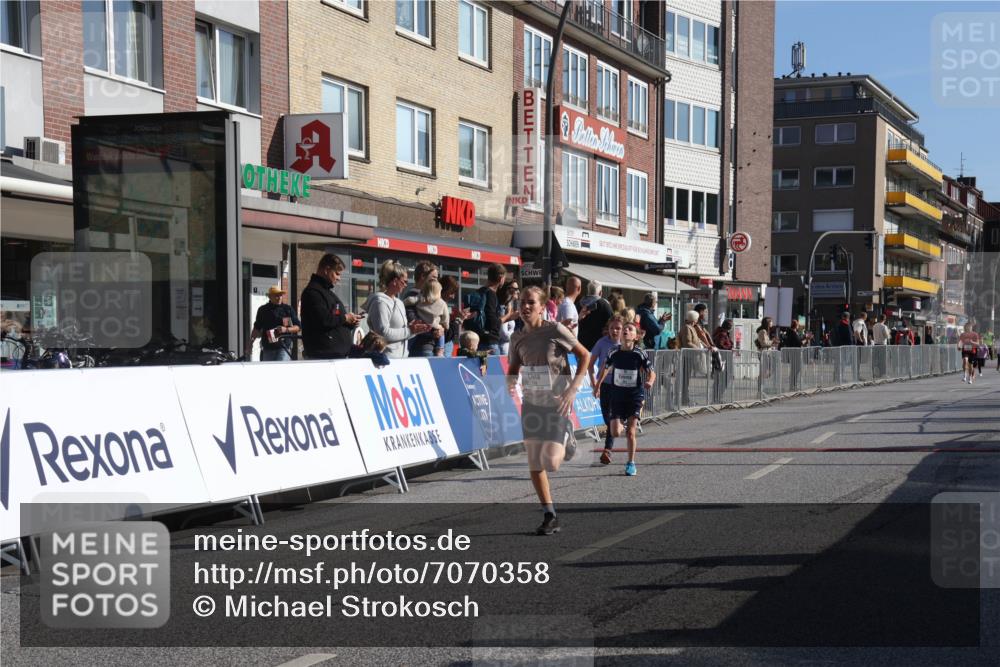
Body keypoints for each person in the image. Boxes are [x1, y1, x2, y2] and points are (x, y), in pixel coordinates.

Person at [507, 286, 590, 536]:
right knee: (535, 463)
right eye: (522, 302)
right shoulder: (517, 337)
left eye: (531, 302)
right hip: (532, 403)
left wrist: (573, 389)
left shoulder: (555, 330)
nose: (525, 306)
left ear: (542, 307)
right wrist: (511, 381)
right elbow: (514, 367)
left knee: (551, 463)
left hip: (557, 403)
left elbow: (585, 356)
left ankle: (567, 434)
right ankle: (550, 515)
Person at [594, 322, 654, 477]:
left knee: (630, 432)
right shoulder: (613, 351)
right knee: (615, 432)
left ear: (635, 336)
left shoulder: (639, 353)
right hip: (617, 395)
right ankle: (625, 420)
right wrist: (597, 385)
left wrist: (650, 381)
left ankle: (631, 463)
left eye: (630, 329)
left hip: (634, 395)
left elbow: (651, 372)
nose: (626, 330)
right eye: (624, 329)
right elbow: (605, 368)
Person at [364, 260, 431, 358]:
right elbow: (382, 333)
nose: (406, 285)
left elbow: (403, 333)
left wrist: (415, 329)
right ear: (395, 281)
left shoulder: (399, 302)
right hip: (385, 359)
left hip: (401, 359)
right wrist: (410, 330)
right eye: (404, 281)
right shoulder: (380, 302)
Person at [300, 253, 362, 359]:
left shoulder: (327, 292)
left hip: (335, 355)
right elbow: (324, 320)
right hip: (323, 357)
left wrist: (350, 322)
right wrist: (345, 318)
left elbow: (334, 320)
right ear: (326, 270)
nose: (339, 278)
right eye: (337, 274)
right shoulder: (313, 292)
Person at [588, 316, 624, 465]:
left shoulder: (626, 343)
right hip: (604, 384)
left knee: (612, 416)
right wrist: (594, 384)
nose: (614, 331)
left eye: (618, 328)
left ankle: (607, 449)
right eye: (612, 328)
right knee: (606, 417)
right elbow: (590, 364)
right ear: (608, 329)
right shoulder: (602, 343)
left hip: (620, 385)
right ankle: (617, 426)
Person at [247, 285, 300, 361]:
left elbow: (298, 327)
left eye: (280, 295)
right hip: (268, 348)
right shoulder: (263, 310)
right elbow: (256, 328)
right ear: (269, 297)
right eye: (276, 295)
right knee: (269, 368)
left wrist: (286, 329)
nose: (279, 297)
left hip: (284, 347)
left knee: (281, 367)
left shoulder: (288, 309)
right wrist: (250, 343)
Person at [464, 263, 507, 355]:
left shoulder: (479, 292)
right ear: (501, 278)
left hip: (477, 340)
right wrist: (508, 316)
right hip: (489, 342)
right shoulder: (491, 294)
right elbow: (492, 322)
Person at [404, 278, 449, 357]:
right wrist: (445, 325)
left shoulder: (421, 298)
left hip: (419, 326)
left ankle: (406, 350)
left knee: (411, 337)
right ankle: (440, 350)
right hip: (434, 326)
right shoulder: (442, 303)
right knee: (441, 333)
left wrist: (403, 302)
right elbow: (445, 318)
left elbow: (410, 300)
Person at [576, 280, 613, 351]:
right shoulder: (604, 304)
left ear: (588, 291)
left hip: (581, 343)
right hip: (599, 343)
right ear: (600, 293)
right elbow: (611, 321)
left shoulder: (579, 304)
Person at [712, 319, 734, 403]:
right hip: (723, 358)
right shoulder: (722, 334)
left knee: (723, 379)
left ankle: (717, 398)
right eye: (731, 325)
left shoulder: (724, 333)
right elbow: (720, 345)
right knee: (722, 379)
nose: (731, 326)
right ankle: (716, 398)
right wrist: (729, 348)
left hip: (724, 357)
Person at [498, 280, 521, 355]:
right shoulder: (502, 307)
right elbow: (503, 334)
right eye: (516, 289)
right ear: (508, 290)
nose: (518, 291)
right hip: (502, 349)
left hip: (508, 348)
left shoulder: (509, 306)